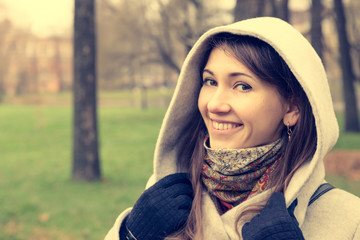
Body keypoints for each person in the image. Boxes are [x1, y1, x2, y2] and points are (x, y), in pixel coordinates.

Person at [105, 17, 360, 240]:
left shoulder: (350, 221)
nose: (215, 104)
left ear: (292, 108)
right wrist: (130, 236)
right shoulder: (164, 199)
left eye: (242, 86)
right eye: (210, 81)